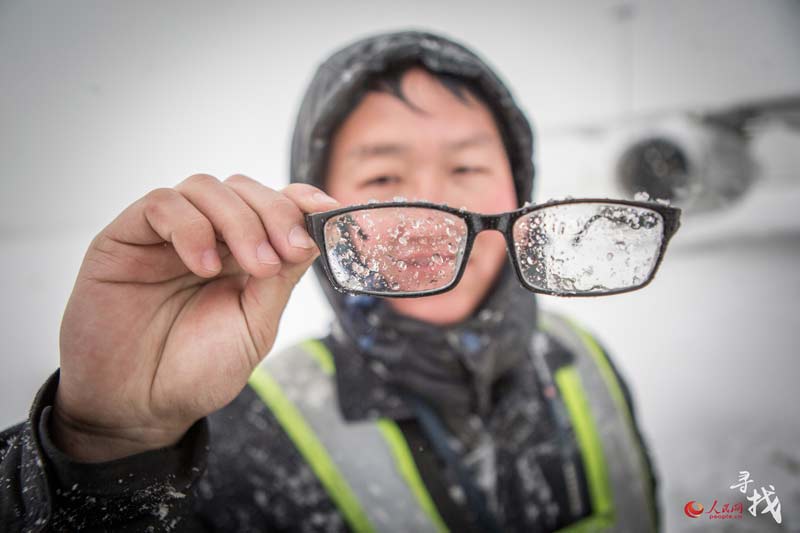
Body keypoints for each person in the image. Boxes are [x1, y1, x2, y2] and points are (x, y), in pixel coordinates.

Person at [0, 30, 661, 532]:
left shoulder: (586, 361)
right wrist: (105, 446)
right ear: (324, 212)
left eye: (466, 168)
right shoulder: (241, 433)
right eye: (382, 179)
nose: (436, 213)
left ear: (521, 188)